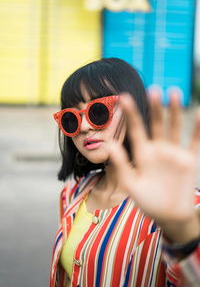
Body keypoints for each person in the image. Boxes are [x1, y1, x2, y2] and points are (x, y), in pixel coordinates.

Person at [50, 58, 200, 287]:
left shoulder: (182, 204)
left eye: (98, 112)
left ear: (134, 111)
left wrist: (184, 235)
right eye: (71, 119)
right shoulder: (72, 193)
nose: (84, 127)